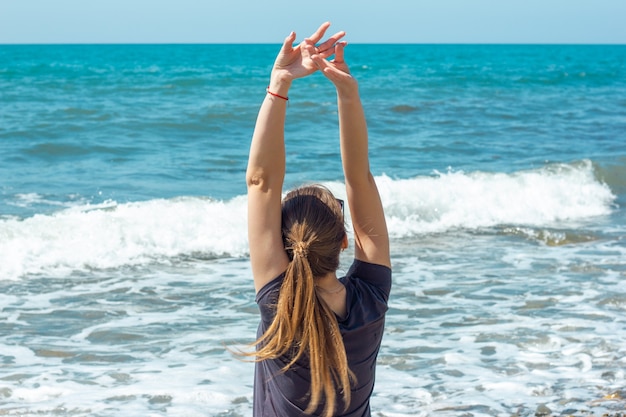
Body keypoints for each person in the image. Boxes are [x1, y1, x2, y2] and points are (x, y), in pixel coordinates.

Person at [245, 22, 392, 417]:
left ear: (282, 243)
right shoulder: (370, 300)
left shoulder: (280, 306)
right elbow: (358, 179)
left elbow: (261, 182)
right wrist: (347, 93)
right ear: (345, 240)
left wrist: (280, 83)